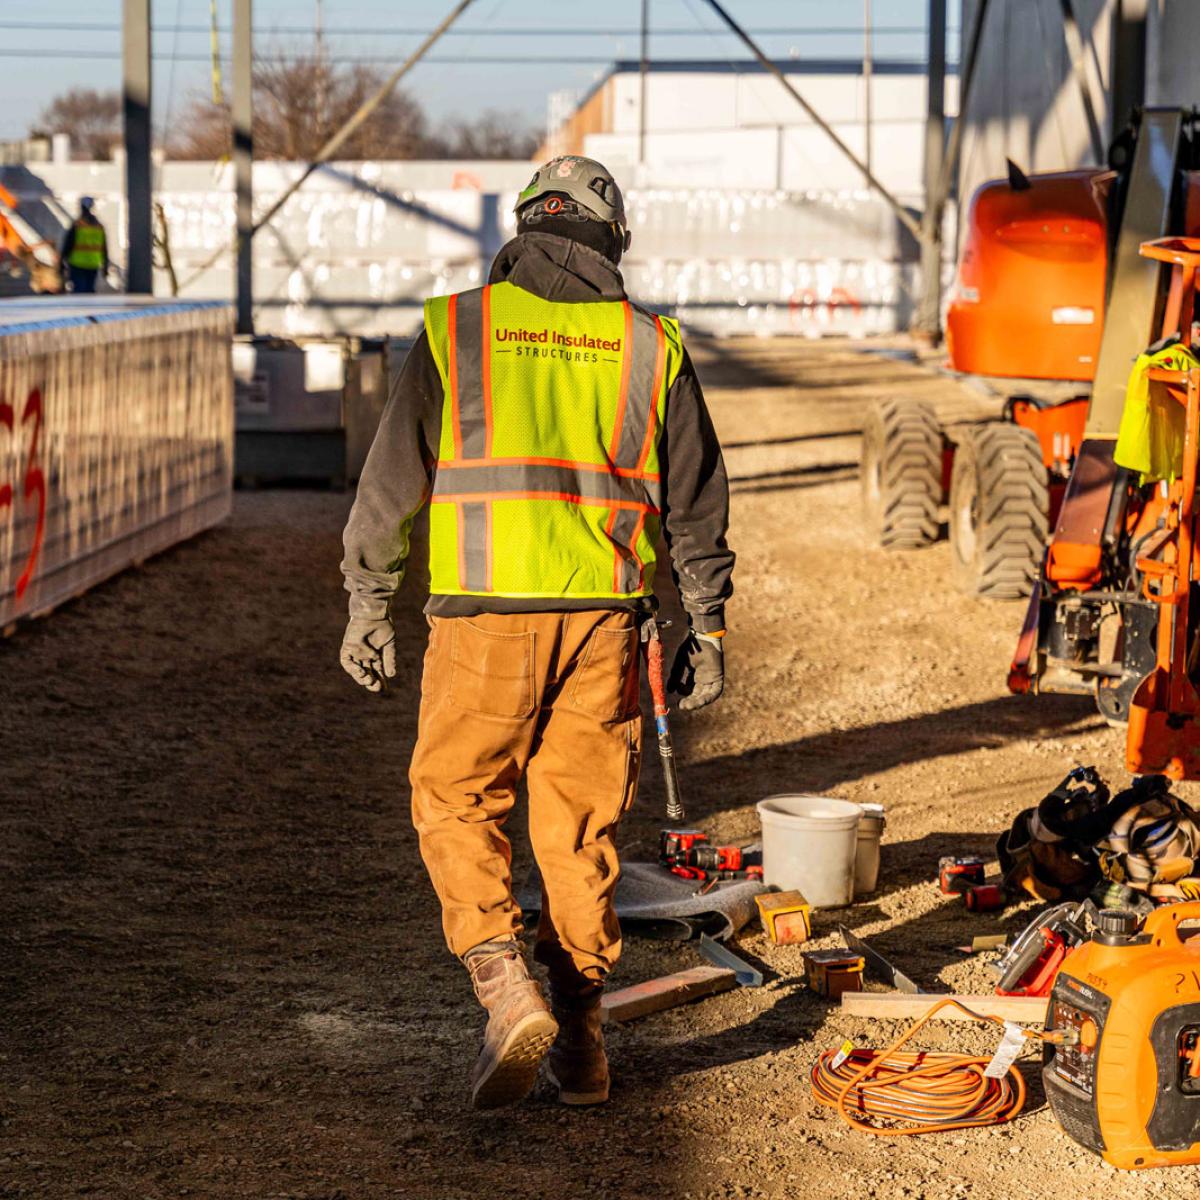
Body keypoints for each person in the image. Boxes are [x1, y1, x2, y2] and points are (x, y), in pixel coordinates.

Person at [339, 156, 734, 1110]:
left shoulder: (459, 328)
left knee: (457, 799)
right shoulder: (652, 345)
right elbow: (697, 503)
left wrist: (367, 598)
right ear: (614, 239)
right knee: (580, 828)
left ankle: (503, 987)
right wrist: (707, 628)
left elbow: (392, 478)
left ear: (521, 228)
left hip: (483, 618)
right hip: (604, 623)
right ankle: (584, 1044)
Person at [60, 197, 107, 294]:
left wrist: (62, 261)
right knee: (89, 290)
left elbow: (68, 244)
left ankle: (79, 309)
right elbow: (104, 248)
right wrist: (106, 265)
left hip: (77, 263)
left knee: (79, 290)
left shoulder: (77, 225)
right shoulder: (99, 226)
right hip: (93, 263)